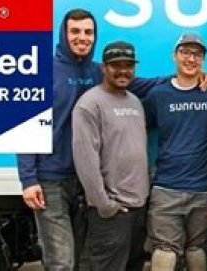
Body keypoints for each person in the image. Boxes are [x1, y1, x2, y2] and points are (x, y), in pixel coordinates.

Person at [17, 9, 168, 270]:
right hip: (51, 177)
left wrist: (186, 78)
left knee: (83, 257)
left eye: (88, 32)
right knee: (62, 261)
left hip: (86, 179)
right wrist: (28, 179)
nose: (82, 37)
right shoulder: (44, 71)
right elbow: (26, 124)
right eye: (75, 31)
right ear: (63, 34)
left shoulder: (99, 71)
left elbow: (142, 84)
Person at [143, 33, 207, 270]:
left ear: (203, 60)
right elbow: (139, 129)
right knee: (164, 249)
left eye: (197, 54)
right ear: (175, 56)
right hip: (165, 187)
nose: (191, 59)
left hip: (204, 190)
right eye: (185, 53)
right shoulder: (158, 95)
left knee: (197, 249)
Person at [72, 41, 149, 270]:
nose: (123, 71)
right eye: (116, 66)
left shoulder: (135, 101)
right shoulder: (89, 104)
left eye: (128, 66)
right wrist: (104, 204)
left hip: (138, 207)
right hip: (111, 212)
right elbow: (85, 159)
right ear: (103, 68)